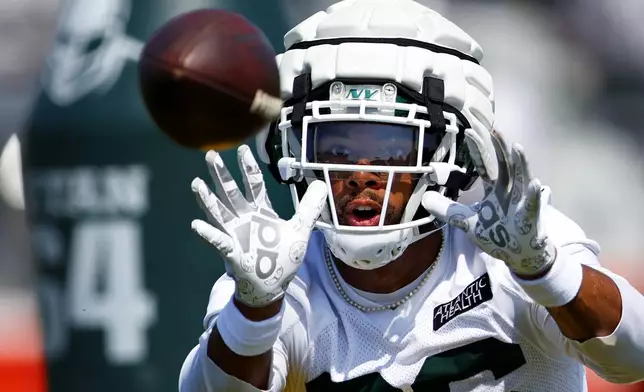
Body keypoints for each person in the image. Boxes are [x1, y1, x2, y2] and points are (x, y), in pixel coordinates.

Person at [178, 0, 644, 390]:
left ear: (449, 155)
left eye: (389, 146)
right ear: (296, 149)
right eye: (335, 144)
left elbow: (633, 357)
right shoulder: (278, 277)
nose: (361, 172)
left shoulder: (515, 253)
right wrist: (254, 310)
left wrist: (546, 272)